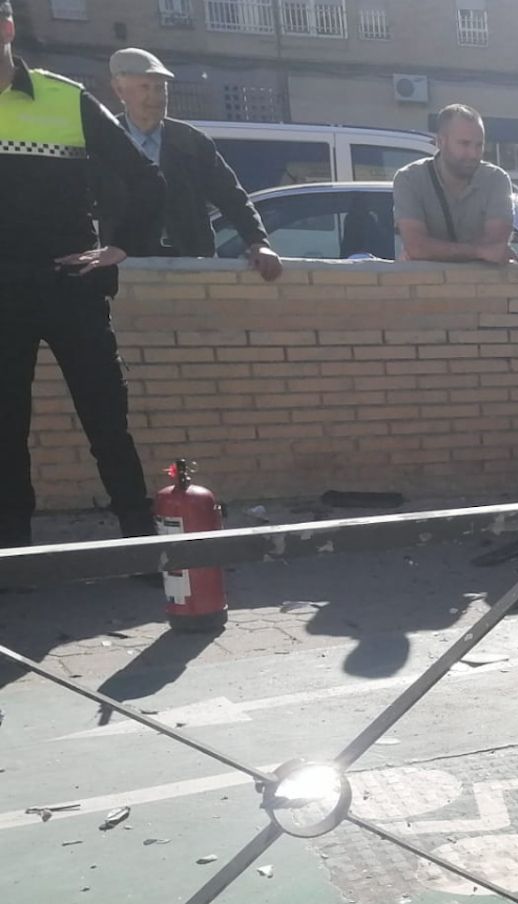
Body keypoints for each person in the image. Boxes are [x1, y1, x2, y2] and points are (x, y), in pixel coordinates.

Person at [0, 1, 166, 549]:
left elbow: (145, 178)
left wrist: (120, 246)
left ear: (7, 27)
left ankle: (140, 545)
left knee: (107, 423)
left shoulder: (64, 97)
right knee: (5, 431)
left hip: (71, 288)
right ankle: (14, 558)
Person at [105, 48, 281, 281]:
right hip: (128, 270)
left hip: (192, 266)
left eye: (160, 88)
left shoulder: (192, 142)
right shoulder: (104, 141)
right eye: (145, 87)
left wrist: (258, 243)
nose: (155, 97)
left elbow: (233, 198)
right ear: (119, 90)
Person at [393, 104, 514, 263]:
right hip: (427, 280)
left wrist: (433, 250)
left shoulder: (496, 180)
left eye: (479, 145)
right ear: (440, 142)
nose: (473, 154)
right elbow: (416, 246)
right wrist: (479, 251)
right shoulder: (409, 179)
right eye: (464, 144)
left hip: (482, 280)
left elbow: (495, 245)